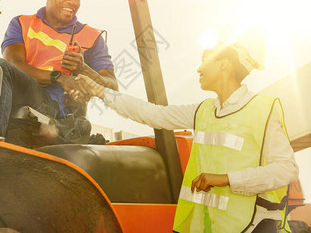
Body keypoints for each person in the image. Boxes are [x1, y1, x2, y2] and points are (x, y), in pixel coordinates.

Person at [75, 34, 299, 232]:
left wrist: (226, 180)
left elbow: (286, 169)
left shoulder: (262, 109)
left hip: (256, 225)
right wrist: (101, 92)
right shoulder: (204, 111)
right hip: (217, 227)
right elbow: (151, 113)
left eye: (205, 62)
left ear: (224, 64)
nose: (199, 69)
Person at [0, 0, 118, 144]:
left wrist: (83, 69)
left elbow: (112, 87)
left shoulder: (92, 38)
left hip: (57, 111)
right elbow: (13, 65)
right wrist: (59, 77)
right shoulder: (22, 24)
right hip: (24, 96)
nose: (72, 1)